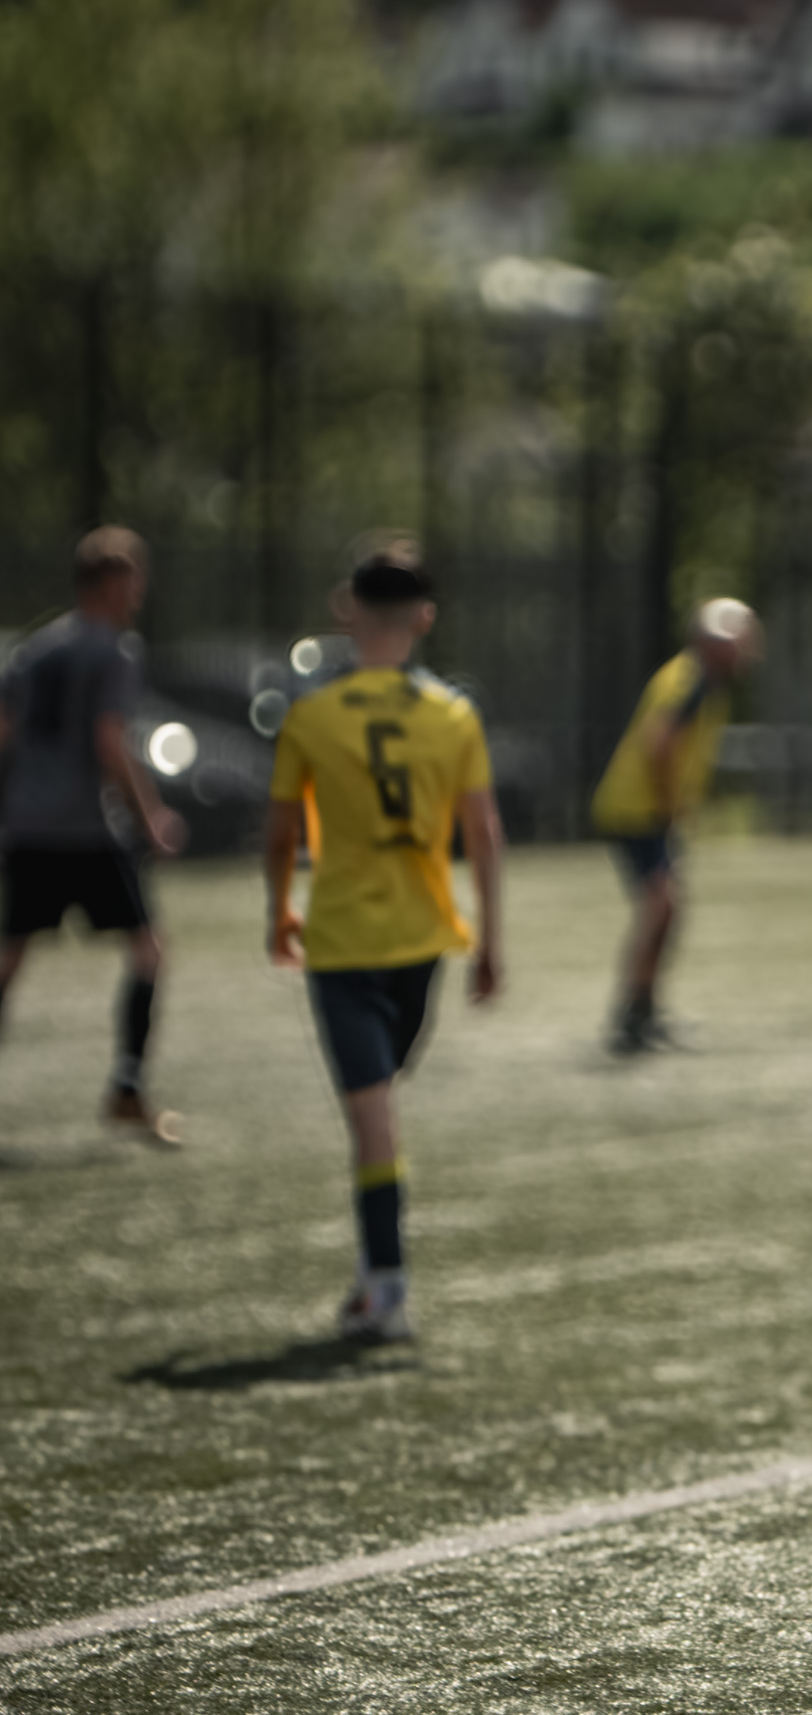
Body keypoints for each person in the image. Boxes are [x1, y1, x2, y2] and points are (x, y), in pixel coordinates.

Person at [265, 542, 503, 1344]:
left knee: (374, 1117)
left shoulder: (311, 716)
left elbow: (280, 831)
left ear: (349, 612)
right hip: (422, 942)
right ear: (425, 619)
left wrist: (278, 912)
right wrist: (492, 941)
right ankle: (378, 1281)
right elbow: (484, 833)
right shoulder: (453, 715)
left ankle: (387, 1289)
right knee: (380, 1110)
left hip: (341, 940)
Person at [0, 526, 184, 1141]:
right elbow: (110, 741)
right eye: (134, 579)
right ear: (111, 583)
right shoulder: (114, 651)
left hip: (29, 823)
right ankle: (127, 1088)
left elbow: (4, 730)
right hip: (85, 828)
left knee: (10, 957)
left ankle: (128, 1091)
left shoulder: (36, 649)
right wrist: (150, 817)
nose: (140, 591)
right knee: (148, 951)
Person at [590, 599, 763, 1055]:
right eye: (741, 640)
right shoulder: (694, 681)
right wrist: (670, 806)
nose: (748, 651)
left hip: (643, 810)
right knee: (662, 905)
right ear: (716, 642)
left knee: (665, 908)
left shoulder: (700, 678)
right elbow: (660, 744)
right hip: (638, 811)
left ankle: (643, 1011)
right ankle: (632, 1018)